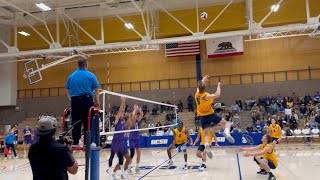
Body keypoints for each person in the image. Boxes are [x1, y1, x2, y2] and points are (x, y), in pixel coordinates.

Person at [194, 75, 235, 159]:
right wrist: (218, 85)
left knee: (205, 135)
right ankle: (227, 133)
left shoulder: (196, 94)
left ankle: (206, 146)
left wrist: (203, 79)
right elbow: (217, 94)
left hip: (202, 117)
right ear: (204, 88)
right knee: (226, 123)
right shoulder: (206, 96)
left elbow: (199, 86)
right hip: (210, 114)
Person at [66, 58, 100, 146]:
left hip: (75, 101)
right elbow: (97, 88)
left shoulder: (71, 76)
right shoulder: (90, 75)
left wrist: (71, 98)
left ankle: (76, 141)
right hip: (86, 100)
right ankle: (87, 141)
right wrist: (96, 101)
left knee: (76, 121)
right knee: (87, 120)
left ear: (78, 65)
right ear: (86, 65)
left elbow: (67, 89)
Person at [108, 97, 131, 180]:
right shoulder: (117, 119)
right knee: (121, 159)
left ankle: (122, 174)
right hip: (116, 143)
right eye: (121, 112)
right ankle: (113, 173)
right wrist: (123, 102)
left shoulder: (123, 121)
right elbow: (121, 110)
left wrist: (128, 117)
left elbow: (128, 127)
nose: (122, 113)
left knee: (128, 159)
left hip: (122, 143)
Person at [127, 105, 143, 174]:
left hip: (137, 138)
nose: (137, 116)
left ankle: (137, 167)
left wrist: (139, 110)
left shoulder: (137, 120)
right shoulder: (131, 120)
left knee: (139, 152)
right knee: (132, 154)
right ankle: (129, 168)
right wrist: (135, 109)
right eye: (136, 115)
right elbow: (133, 115)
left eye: (137, 115)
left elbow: (141, 114)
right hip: (132, 138)